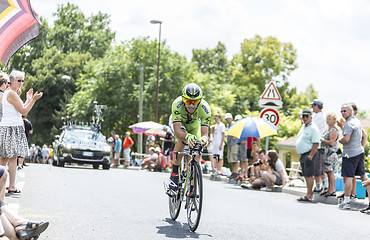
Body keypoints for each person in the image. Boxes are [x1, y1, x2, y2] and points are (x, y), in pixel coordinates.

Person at [0, 70, 43, 194]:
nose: (21, 83)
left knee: (4, 158)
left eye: (22, 81)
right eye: (19, 80)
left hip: (7, 127)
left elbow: (20, 110)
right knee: (11, 158)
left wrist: (29, 99)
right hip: (11, 127)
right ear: (11, 81)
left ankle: (3, 185)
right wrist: (34, 100)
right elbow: (24, 111)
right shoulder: (11, 94)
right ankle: (11, 185)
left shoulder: (10, 93)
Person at [168, 83, 210, 191]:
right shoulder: (177, 104)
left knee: (197, 148)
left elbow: (205, 134)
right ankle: (174, 173)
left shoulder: (205, 108)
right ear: (183, 100)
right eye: (188, 101)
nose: (191, 105)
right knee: (182, 140)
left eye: (195, 102)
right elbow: (177, 131)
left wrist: (203, 140)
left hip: (193, 123)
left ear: (199, 101)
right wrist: (187, 136)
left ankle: (192, 188)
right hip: (179, 122)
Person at [338, 104, 370, 212]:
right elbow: (364, 136)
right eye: (341, 111)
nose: (343, 113)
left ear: (351, 111)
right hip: (359, 153)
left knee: (348, 177)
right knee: (363, 176)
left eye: (345, 111)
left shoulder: (348, 123)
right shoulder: (357, 121)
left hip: (350, 154)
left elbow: (346, 139)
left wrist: (340, 140)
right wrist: (361, 147)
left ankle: (346, 201)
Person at [295, 109, 320, 202]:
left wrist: (311, 155)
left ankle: (309, 195)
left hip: (309, 154)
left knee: (309, 175)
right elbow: (301, 119)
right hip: (303, 154)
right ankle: (307, 193)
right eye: (303, 116)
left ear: (311, 117)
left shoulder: (313, 128)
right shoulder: (304, 126)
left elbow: (316, 143)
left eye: (307, 116)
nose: (305, 118)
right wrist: (300, 114)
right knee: (305, 175)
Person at [319, 112, 339, 197]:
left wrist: (322, 139)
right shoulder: (328, 129)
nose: (327, 120)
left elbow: (331, 142)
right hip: (325, 153)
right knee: (327, 172)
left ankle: (332, 190)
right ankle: (329, 189)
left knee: (331, 172)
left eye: (329, 119)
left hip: (330, 153)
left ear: (334, 120)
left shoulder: (334, 130)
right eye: (327, 119)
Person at [310, 99, 328, 193]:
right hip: (317, 144)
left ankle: (322, 186)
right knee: (317, 168)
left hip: (318, 145)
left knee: (318, 168)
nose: (312, 107)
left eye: (313, 105)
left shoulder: (320, 116)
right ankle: (320, 186)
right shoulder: (318, 116)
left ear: (317, 106)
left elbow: (309, 125)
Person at [225, 113, 238, 180]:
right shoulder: (228, 125)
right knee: (231, 159)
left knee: (235, 158)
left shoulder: (234, 124)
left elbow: (237, 132)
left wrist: (235, 136)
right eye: (226, 119)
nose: (227, 120)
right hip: (230, 144)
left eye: (228, 119)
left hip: (234, 143)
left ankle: (236, 172)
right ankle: (233, 172)